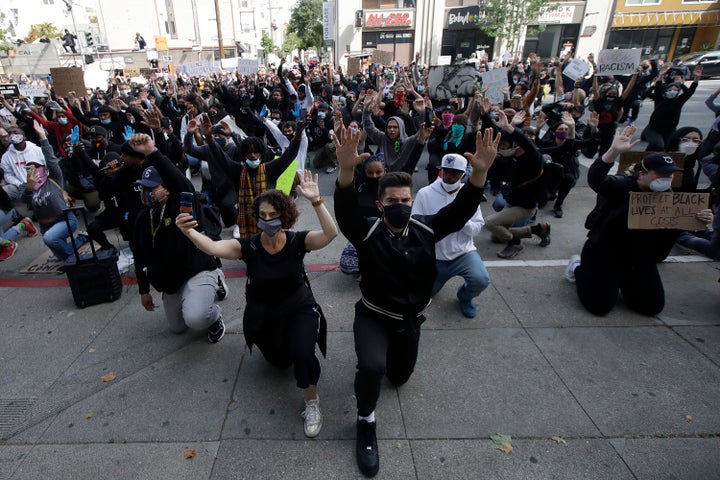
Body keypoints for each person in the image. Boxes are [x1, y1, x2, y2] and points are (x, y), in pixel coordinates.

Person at [333, 124, 500, 478]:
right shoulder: (367, 232)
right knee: (373, 369)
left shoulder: (427, 228)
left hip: (409, 320)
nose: (399, 206)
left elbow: (460, 211)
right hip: (374, 316)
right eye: (391, 201)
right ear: (380, 204)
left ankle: (392, 362)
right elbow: (346, 210)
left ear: (413, 200)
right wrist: (346, 170)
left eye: (405, 200)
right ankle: (366, 422)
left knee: (400, 377)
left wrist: (480, 173)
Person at [176, 171, 337, 438]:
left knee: (302, 353)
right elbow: (214, 248)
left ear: (284, 216)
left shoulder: (298, 241)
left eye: (273, 215)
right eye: (262, 216)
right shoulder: (248, 247)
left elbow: (330, 234)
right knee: (278, 362)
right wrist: (189, 232)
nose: (268, 220)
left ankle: (311, 401)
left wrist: (317, 202)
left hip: (299, 308)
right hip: (264, 314)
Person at [565, 126, 713, 315]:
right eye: (661, 174)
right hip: (606, 252)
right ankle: (578, 267)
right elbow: (596, 179)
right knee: (599, 307)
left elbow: (678, 224)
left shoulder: (669, 196)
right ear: (642, 174)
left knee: (651, 307)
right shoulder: (621, 186)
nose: (667, 179)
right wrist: (613, 152)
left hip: (640, 257)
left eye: (670, 175)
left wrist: (703, 218)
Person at [128, 134, 227, 343]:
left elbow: (181, 182)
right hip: (171, 280)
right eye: (143, 187)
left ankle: (215, 308)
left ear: (167, 188)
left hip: (196, 269)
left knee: (197, 318)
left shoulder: (182, 206)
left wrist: (151, 152)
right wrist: (144, 290)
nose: (146, 192)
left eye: (152, 187)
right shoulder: (142, 217)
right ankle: (192, 299)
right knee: (177, 328)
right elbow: (139, 254)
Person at [412, 153, 490, 318]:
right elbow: (415, 225)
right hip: (435, 257)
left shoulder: (469, 195)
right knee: (427, 292)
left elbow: (478, 226)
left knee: (481, 279)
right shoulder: (425, 193)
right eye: (445, 171)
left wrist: (460, 221)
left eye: (454, 173)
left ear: (463, 174)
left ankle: (465, 297)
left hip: (463, 252)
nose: (449, 176)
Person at [483, 110, 551, 259]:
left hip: (525, 207)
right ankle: (538, 230)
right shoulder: (511, 159)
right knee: (496, 237)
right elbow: (499, 139)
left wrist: (512, 128)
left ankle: (515, 243)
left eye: (511, 145)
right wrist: (487, 115)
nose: (504, 148)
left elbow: (527, 144)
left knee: (490, 223)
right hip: (512, 203)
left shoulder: (534, 159)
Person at [21, 121, 86, 261]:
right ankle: (81, 240)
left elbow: (50, 159)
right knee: (60, 251)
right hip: (45, 225)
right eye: (30, 170)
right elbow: (24, 201)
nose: (34, 172)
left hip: (65, 219)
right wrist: (29, 187)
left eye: (37, 168)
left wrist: (42, 137)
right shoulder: (28, 186)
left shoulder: (54, 178)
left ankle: (72, 252)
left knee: (51, 239)